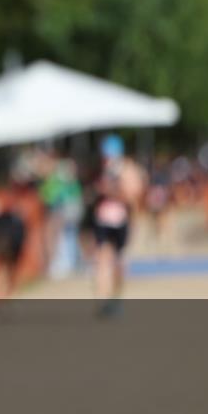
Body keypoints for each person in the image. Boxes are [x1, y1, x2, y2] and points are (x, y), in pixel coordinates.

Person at [91, 134, 132, 317]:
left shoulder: (125, 170)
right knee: (102, 261)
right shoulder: (102, 170)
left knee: (118, 262)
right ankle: (104, 299)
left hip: (119, 220)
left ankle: (114, 299)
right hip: (104, 220)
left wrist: (113, 190)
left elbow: (130, 196)